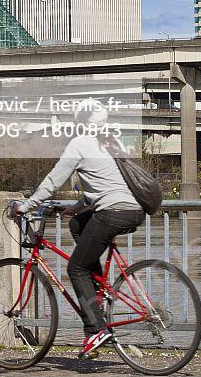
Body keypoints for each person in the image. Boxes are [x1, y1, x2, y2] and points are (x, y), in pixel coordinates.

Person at [10, 98, 145, 358]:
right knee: (77, 224)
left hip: (112, 212)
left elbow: (53, 181)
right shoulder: (111, 142)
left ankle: (95, 329)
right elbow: (106, 183)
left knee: (75, 268)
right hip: (134, 209)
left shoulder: (80, 144)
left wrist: (25, 207)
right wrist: (77, 206)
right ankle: (97, 291)